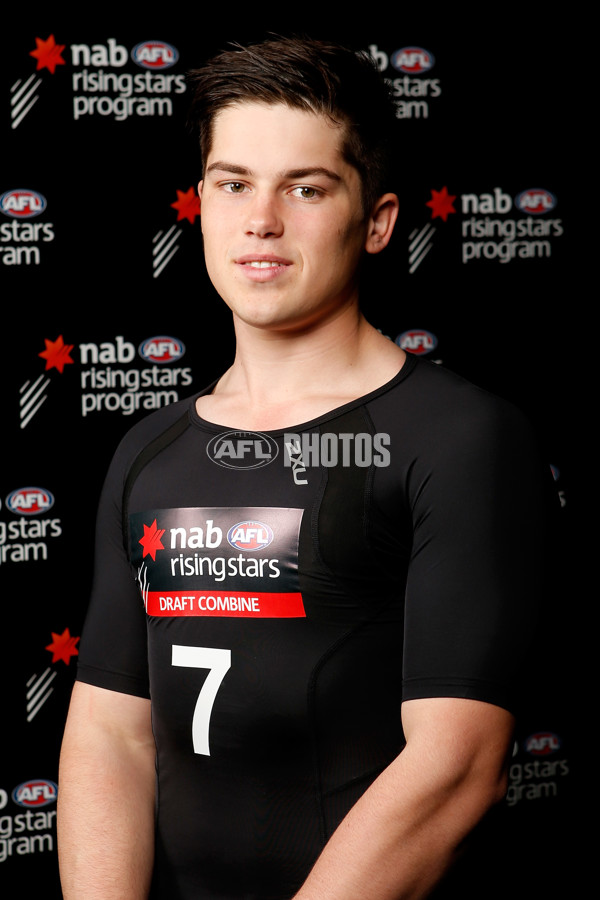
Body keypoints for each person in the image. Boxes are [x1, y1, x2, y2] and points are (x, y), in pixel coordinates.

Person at [57, 35, 545, 899]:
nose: (262, 221)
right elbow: (109, 735)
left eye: (306, 189)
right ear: (200, 202)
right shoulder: (148, 450)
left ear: (379, 220)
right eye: (233, 182)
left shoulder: (461, 437)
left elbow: (458, 767)